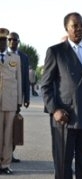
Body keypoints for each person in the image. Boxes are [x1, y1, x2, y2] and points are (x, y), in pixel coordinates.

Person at [40, 12, 82, 179]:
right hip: (65, 118)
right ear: (66, 28)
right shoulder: (56, 52)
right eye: (75, 26)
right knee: (63, 166)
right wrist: (54, 110)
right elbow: (45, 86)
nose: (79, 29)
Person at [0, 27, 22, 175]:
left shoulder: (15, 58)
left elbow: (18, 80)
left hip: (10, 101)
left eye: (3, 40)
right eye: (0, 40)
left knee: (8, 136)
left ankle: (5, 164)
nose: (2, 43)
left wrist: (19, 101)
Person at [7, 31, 30, 163]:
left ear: (18, 42)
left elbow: (26, 78)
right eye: (10, 39)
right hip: (3, 97)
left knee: (13, 126)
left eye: (15, 40)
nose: (12, 42)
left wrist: (27, 97)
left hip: (16, 99)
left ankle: (10, 154)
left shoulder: (24, 57)